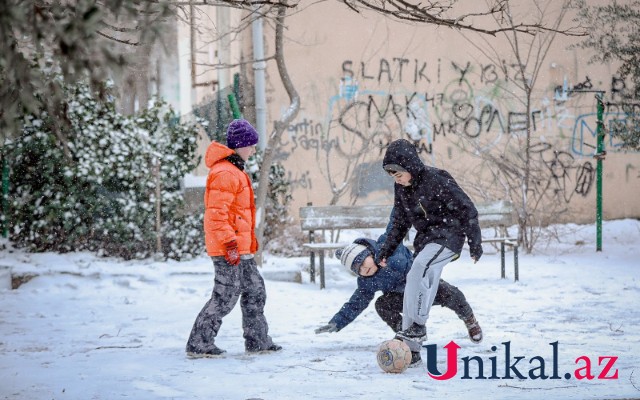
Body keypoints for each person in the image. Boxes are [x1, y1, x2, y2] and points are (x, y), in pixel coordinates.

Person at [314, 229, 482, 367]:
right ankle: (406, 336)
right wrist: (337, 322)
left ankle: (470, 320)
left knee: (452, 294)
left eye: (362, 263)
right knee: (381, 305)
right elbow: (355, 303)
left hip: (422, 285)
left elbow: (397, 222)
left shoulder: (388, 244)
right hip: (401, 297)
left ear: (370, 253)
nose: (362, 269)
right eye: (357, 269)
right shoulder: (367, 282)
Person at [376, 139, 483, 356]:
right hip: (427, 241)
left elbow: (466, 207)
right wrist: (386, 249)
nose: (396, 180)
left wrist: (474, 241)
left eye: (398, 174)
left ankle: (417, 327)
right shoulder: (402, 189)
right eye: (392, 177)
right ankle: (411, 348)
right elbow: (399, 221)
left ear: (410, 167)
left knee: (420, 268)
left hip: (449, 237)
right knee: (415, 286)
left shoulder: (436, 179)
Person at [186, 119, 281, 358]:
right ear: (240, 145)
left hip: (240, 248)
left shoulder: (234, 170)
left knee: (255, 290)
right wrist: (230, 244)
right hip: (228, 248)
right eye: (251, 145)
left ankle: (258, 340)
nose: (253, 149)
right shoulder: (225, 173)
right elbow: (216, 216)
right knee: (225, 296)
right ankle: (199, 342)